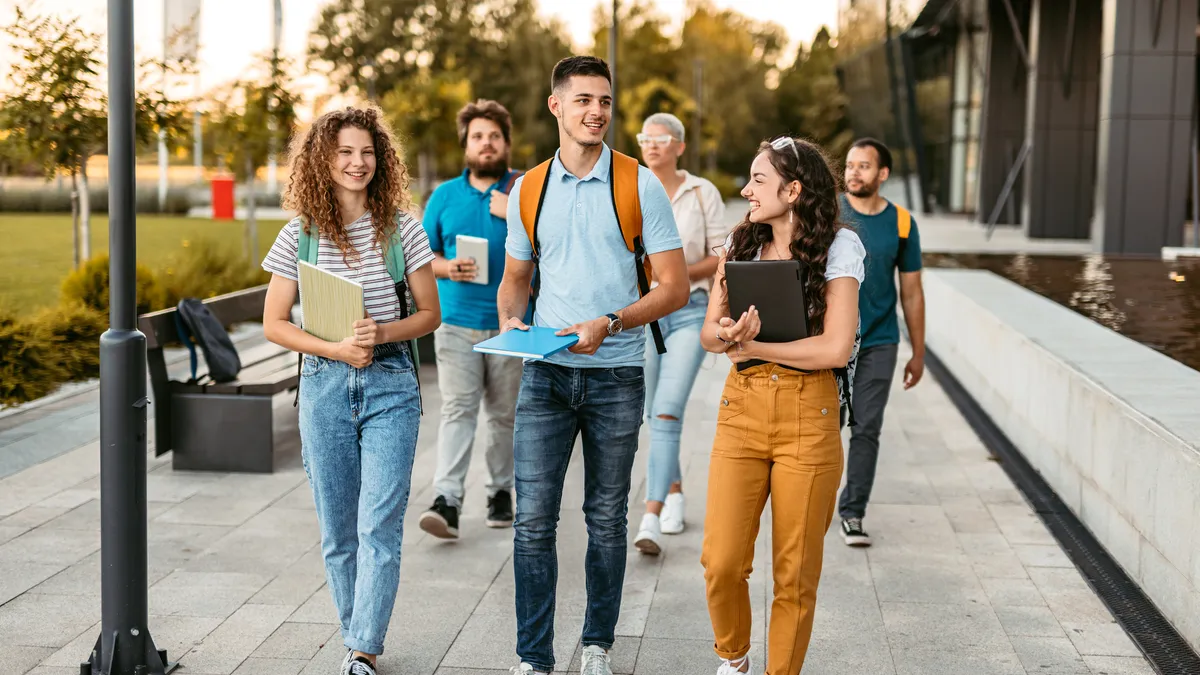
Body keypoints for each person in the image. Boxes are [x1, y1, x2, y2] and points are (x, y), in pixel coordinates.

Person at [497, 56, 689, 675]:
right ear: (556, 106)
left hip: (616, 374)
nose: (596, 112)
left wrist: (610, 322)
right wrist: (511, 323)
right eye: (582, 100)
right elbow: (516, 280)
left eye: (604, 101)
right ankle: (533, 659)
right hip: (545, 374)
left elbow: (674, 288)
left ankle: (598, 646)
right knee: (532, 522)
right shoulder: (529, 188)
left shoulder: (639, 185)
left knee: (606, 520)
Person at [260, 106, 439, 675]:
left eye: (367, 152)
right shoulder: (299, 235)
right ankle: (354, 639)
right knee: (338, 531)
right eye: (344, 152)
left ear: (381, 159)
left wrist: (382, 331)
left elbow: (431, 314)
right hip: (323, 384)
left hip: (390, 384)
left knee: (378, 526)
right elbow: (275, 323)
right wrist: (335, 349)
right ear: (322, 159)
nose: (357, 163)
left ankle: (363, 650)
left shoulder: (401, 229)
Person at [699, 137, 865, 675]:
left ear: (793, 191)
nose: (746, 191)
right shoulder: (738, 245)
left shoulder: (840, 249)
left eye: (758, 181)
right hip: (741, 411)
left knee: (794, 575)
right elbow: (708, 334)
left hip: (808, 417)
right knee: (721, 562)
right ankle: (736, 657)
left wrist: (754, 346)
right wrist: (729, 334)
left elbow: (835, 348)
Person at [417, 99, 525, 540]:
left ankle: (501, 492)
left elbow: (550, 247)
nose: (486, 144)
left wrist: (514, 211)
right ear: (466, 143)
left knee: (503, 416)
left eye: (494, 137)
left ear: (505, 144)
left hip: (510, 325)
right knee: (459, 409)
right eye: (478, 136)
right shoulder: (443, 196)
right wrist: (447, 268)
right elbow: (420, 258)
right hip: (456, 322)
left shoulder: (523, 191)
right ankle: (447, 501)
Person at [631, 112, 728, 556]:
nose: (652, 145)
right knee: (653, 410)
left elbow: (720, 253)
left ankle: (649, 515)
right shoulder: (632, 186)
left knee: (668, 411)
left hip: (689, 311)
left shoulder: (700, 191)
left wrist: (676, 276)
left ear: (679, 146)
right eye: (645, 138)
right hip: (646, 313)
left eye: (661, 138)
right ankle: (674, 493)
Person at [837, 137, 925, 547]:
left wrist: (918, 352)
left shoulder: (903, 223)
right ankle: (814, 501)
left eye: (864, 166)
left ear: (882, 174)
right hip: (830, 339)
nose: (854, 172)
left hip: (880, 341)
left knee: (866, 427)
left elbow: (911, 292)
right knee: (825, 425)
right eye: (850, 165)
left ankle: (852, 512)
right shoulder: (831, 211)